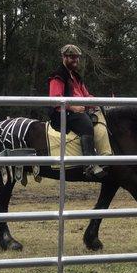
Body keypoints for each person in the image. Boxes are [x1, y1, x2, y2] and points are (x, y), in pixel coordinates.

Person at [48, 44, 104, 178]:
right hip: (62, 114)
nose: (76, 60)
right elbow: (56, 100)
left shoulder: (77, 77)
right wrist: (74, 108)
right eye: (72, 57)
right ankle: (89, 163)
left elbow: (86, 95)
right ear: (64, 57)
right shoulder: (58, 76)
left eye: (77, 58)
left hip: (78, 111)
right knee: (85, 123)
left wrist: (98, 102)